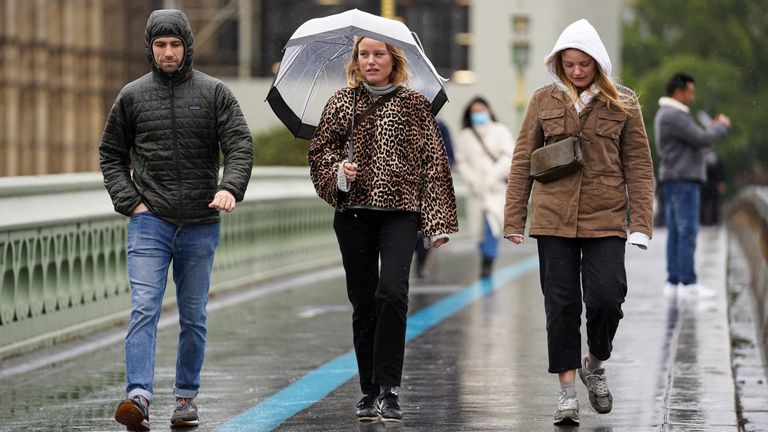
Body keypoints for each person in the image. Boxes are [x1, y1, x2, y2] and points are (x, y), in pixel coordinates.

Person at [99, 9, 253, 430]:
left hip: (201, 222)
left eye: (175, 45)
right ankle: (138, 397)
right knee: (144, 308)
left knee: (193, 316)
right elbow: (111, 154)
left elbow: (239, 144)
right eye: (160, 45)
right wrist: (131, 202)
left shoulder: (215, 92)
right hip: (150, 220)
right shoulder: (131, 96)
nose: (168, 52)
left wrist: (230, 187)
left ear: (187, 46)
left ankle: (186, 398)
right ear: (150, 48)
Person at [503, 19, 655, 426]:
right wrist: (514, 218)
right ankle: (567, 394)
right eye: (568, 64)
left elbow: (639, 166)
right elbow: (522, 162)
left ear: (598, 64)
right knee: (561, 306)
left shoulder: (623, 103)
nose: (575, 72)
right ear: (558, 64)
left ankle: (595, 364)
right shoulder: (543, 101)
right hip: (553, 219)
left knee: (607, 299)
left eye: (584, 64)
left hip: (605, 218)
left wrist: (640, 223)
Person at [308, 36, 458, 423]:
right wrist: (340, 172)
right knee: (364, 302)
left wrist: (436, 223)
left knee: (392, 292)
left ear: (394, 59)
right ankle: (369, 389)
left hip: (400, 214)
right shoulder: (343, 102)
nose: (371, 61)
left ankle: (389, 389)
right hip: (353, 214)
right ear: (356, 60)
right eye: (364, 54)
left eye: (379, 54)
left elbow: (434, 164)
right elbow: (320, 152)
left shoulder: (414, 105)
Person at [655, 73, 730, 297]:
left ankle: (675, 280)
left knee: (677, 232)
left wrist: (709, 131)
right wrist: (721, 127)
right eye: (690, 91)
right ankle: (688, 282)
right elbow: (702, 139)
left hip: (676, 179)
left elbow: (695, 142)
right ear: (679, 91)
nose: (693, 96)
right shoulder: (674, 115)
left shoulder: (668, 115)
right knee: (686, 231)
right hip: (683, 180)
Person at [455, 96, 514, 278]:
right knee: (479, 230)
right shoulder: (465, 136)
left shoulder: (500, 130)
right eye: (474, 111)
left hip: (495, 189)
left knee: (493, 224)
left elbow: (508, 156)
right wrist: (472, 180)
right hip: (476, 191)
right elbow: (461, 162)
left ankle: (489, 260)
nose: (478, 114)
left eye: (481, 110)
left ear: (489, 110)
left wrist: (492, 176)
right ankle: (485, 257)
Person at [413, 118, 454, 278]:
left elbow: (449, 155)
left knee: (424, 229)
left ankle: (421, 262)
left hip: (430, 185)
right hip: (400, 189)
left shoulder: (440, 126)